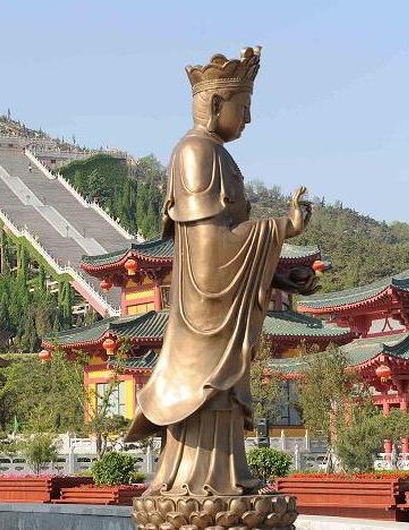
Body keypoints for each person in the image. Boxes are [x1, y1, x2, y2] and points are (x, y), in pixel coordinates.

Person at [125, 47, 315, 497]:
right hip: (205, 314)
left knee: (223, 397)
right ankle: (194, 482)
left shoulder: (216, 154)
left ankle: (227, 479)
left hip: (221, 305)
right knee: (208, 391)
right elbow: (210, 248)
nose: (248, 118)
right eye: (242, 107)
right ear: (215, 104)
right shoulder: (195, 152)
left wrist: (277, 275)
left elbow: (228, 244)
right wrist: (282, 229)